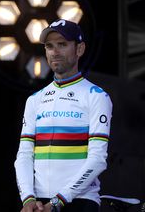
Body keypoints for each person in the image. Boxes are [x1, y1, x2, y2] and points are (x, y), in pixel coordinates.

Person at [14, 19, 113, 212]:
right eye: (49, 46)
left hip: (80, 200)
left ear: (80, 49)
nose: (54, 52)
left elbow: (98, 159)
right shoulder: (35, 99)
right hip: (39, 203)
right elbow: (24, 155)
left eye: (62, 44)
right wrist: (27, 198)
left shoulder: (97, 96)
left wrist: (59, 200)